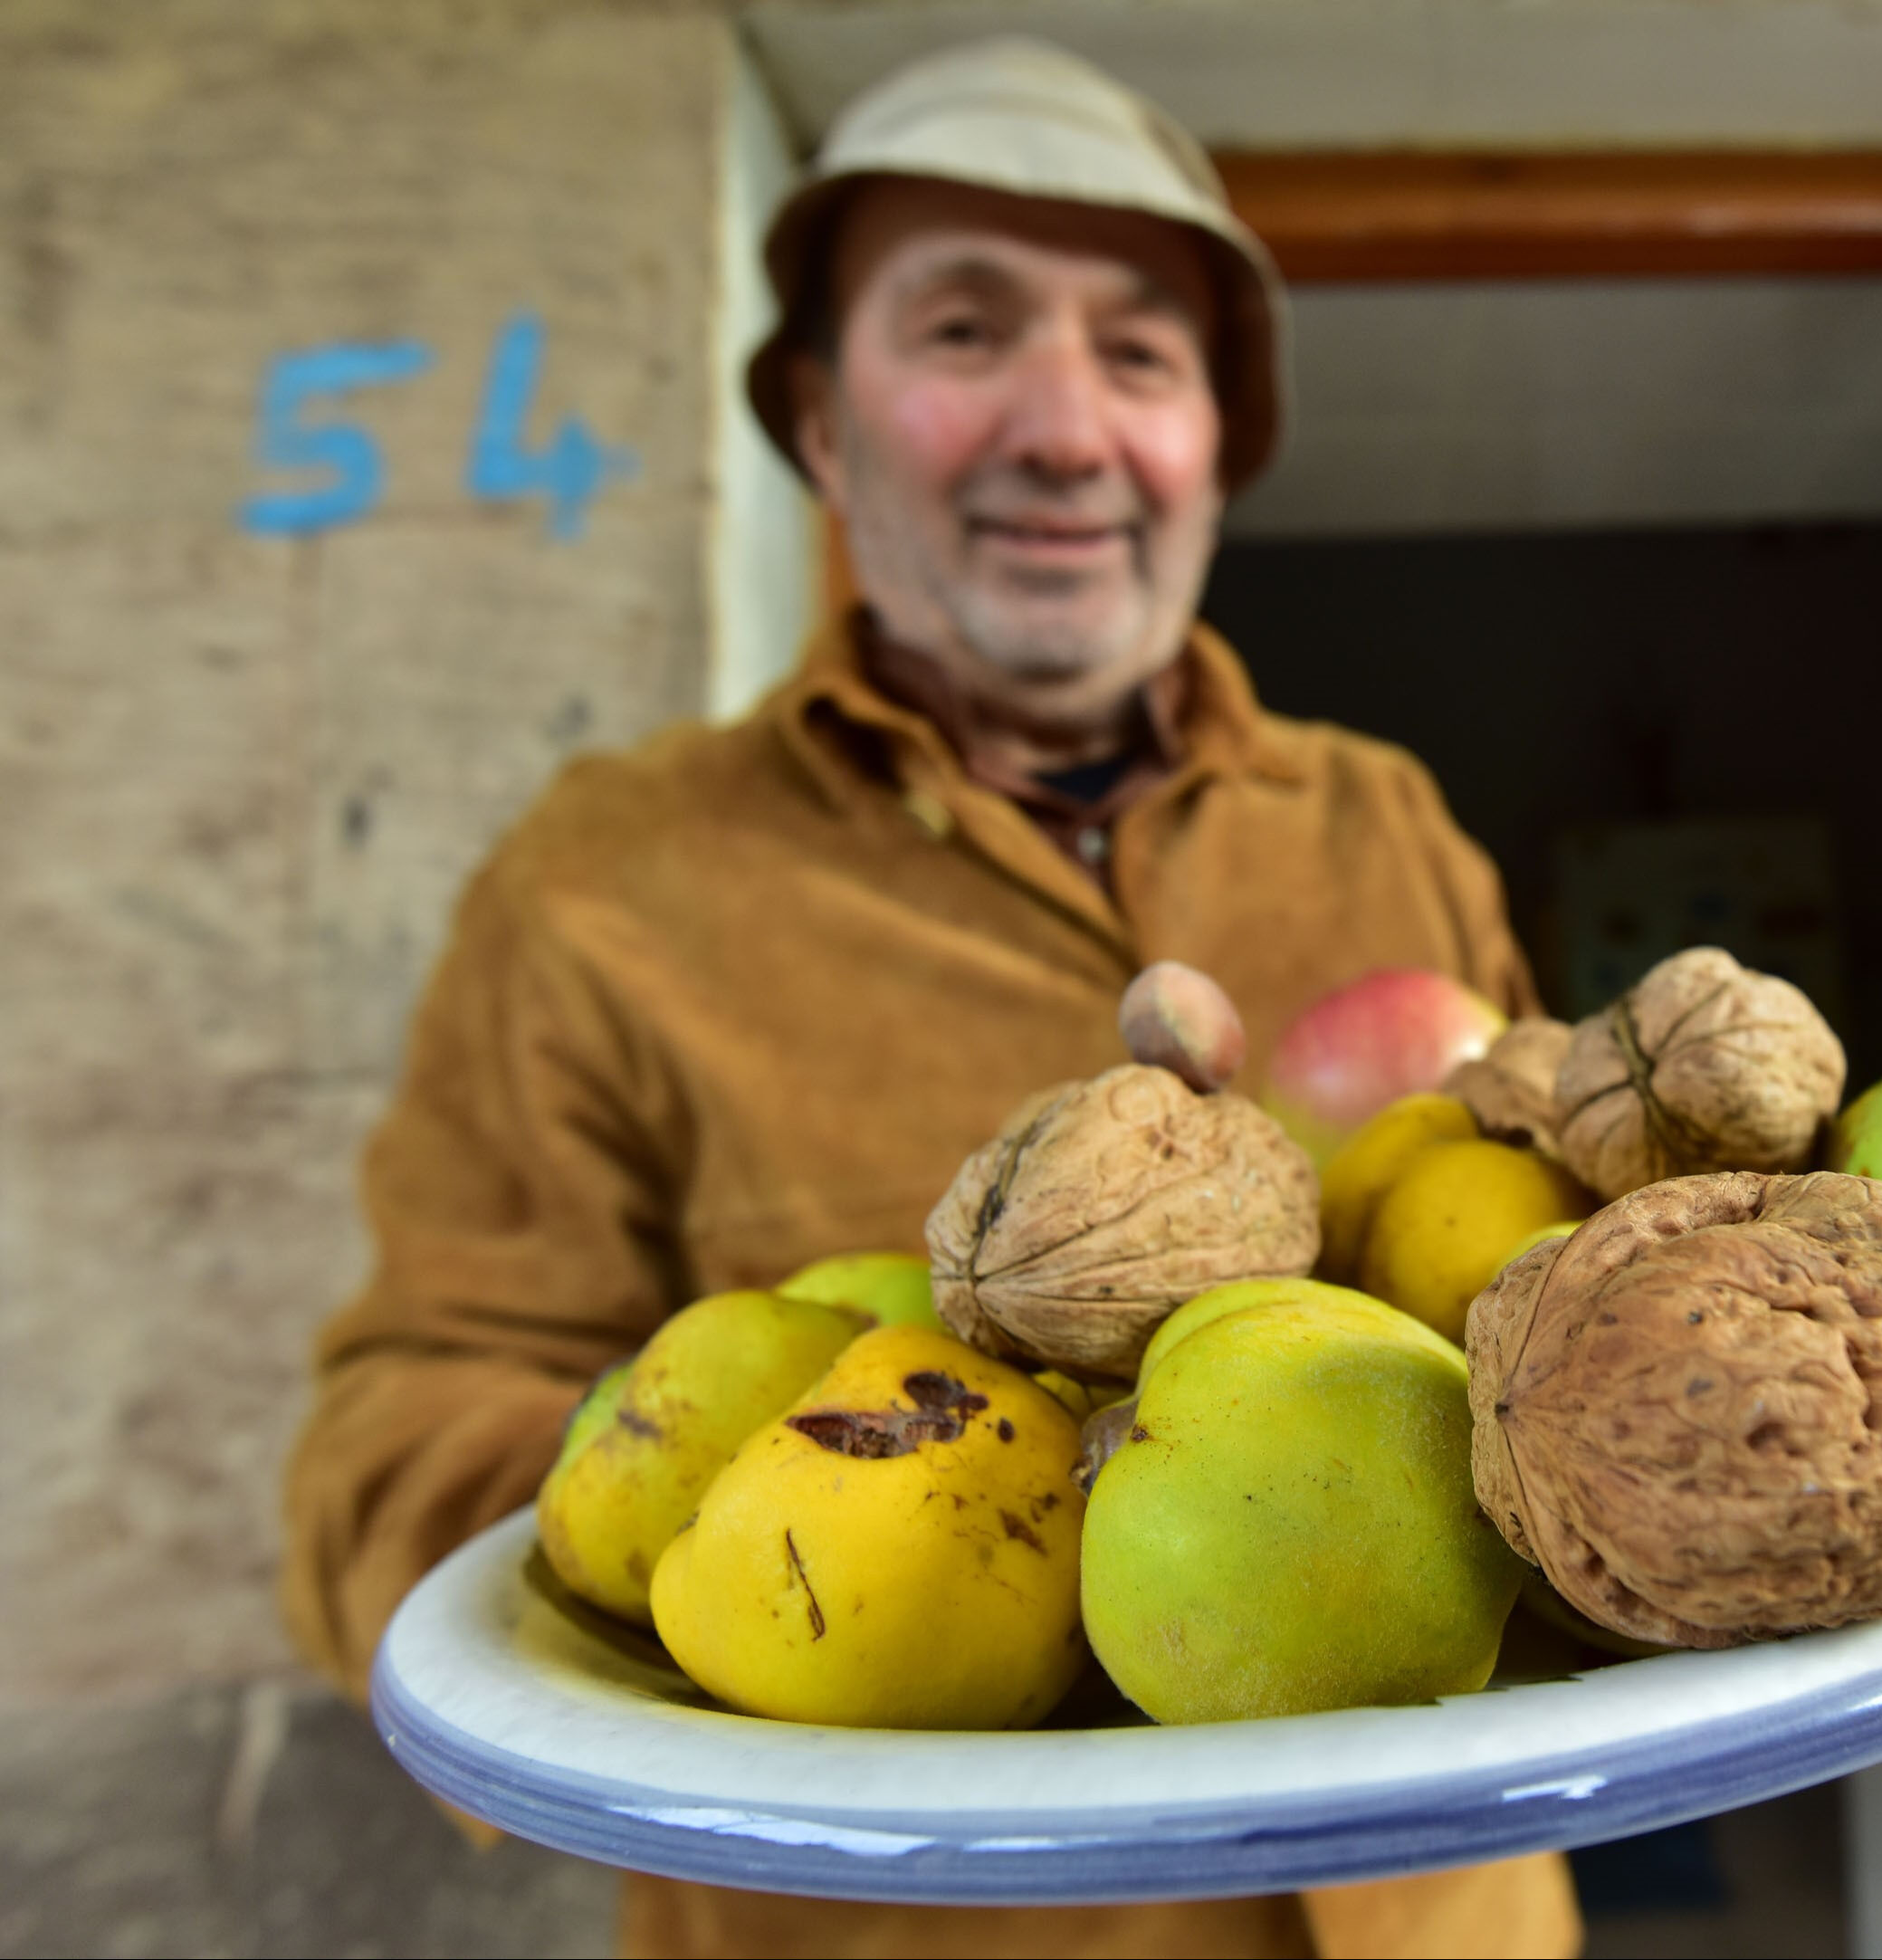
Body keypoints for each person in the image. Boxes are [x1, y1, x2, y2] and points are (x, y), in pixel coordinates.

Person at [279, 35, 1581, 1960]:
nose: (1068, 427)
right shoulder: (604, 877)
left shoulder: (1384, 818)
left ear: (1213, 438)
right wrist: (779, 1470)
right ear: (817, 421)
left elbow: (1547, 1287)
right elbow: (372, 1469)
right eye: (965, 332)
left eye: (1142, 356)